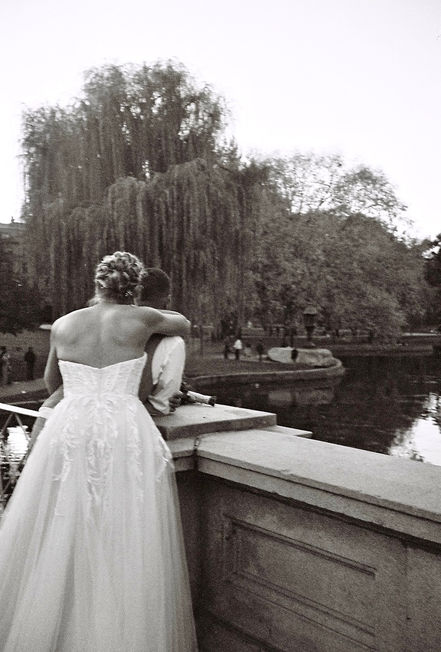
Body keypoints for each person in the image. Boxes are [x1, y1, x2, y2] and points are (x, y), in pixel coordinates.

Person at [0, 252, 197, 651]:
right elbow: (183, 324)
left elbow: (52, 381)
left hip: (70, 427)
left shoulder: (63, 324)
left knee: (62, 518)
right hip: (123, 428)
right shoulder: (144, 319)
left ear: (97, 283)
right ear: (134, 287)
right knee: (122, 523)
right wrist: (140, 311)